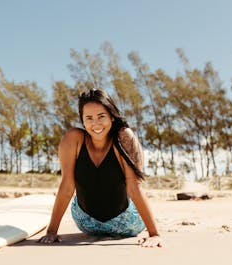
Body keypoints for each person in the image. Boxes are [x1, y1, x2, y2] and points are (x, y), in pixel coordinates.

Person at [38, 88, 162, 247]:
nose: (95, 123)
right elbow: (67, 186)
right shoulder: (74, 139)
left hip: (126, 223)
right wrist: (52, 231)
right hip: (86, 222)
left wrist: (154, 234)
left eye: (101, 116)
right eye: (88, 118)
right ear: (82, 120)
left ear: (111, 115)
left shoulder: (124, 138)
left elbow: (134, 187)